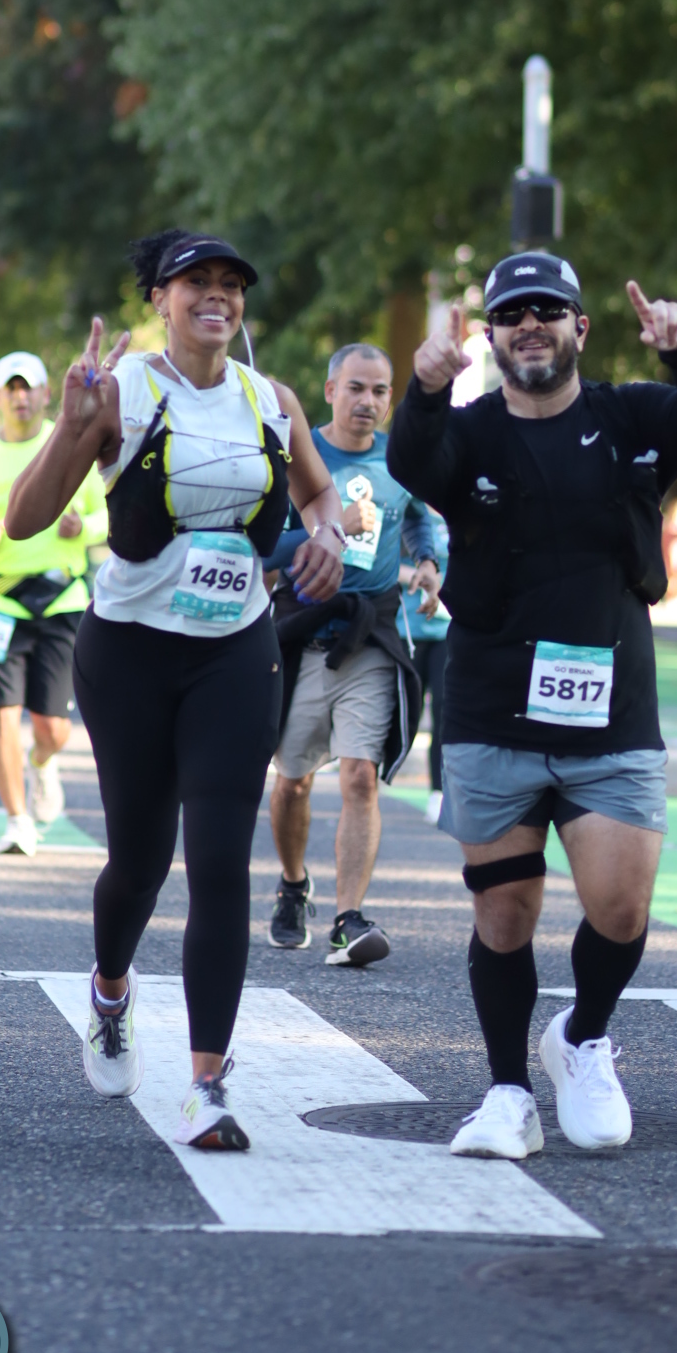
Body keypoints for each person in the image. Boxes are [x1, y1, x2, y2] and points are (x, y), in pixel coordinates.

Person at [387, 252, 677, 1157]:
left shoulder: (632, 416)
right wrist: (425, 388)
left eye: (547, 309)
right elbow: (411, 459)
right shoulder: (468, 432)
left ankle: (582, 1037)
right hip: (491, 708)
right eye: (511, 314)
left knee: (620, 908)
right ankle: (507, 1092)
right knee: (503, 914)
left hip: (611, 711)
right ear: (491, 337)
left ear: (581, 326)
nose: (529, 325)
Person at [4, 230, 347, 1150]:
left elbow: (320, 498)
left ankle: (207, 1085)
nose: (217, 297)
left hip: (235, 652)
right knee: (140, 862)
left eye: (232, 284)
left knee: (222, 862)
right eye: (197, 282)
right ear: (159, 298)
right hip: (130, 654)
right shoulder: (122, 391)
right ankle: (110, 990)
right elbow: (25, 520)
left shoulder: (270, 400)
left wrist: (328, 539)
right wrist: (72, 427)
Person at [266, 344, 437, 965]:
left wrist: (426, 561)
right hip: (304, 635)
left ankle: (348, 919)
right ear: (331, 390)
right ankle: (293, 885)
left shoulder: (401, 458)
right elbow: (263, 544)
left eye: (380, 391)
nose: (368, 401)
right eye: (356, 388)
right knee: (293, 782)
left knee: (361, 775)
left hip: (371, 638)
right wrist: (330, 526)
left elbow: (416, 517)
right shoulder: (299, 452)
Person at [0, 350, 106, 854]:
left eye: (28, 387)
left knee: (53, 728)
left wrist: (83, 528)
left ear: (46, 394)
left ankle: (42, 762)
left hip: (60, 599)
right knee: (0, 715)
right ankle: (16, 820)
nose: (20, 397)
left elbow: (111, 513)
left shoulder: (69, 446)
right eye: (10, 388)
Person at [402, 506, 452, 820]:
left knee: (444, 711)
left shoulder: (459, 512)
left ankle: (438, 791)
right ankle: (373, 778)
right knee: (406, 710)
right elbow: (383, 562)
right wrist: (421, 577)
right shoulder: (411, 511)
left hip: (447, 630)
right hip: (408, 628)